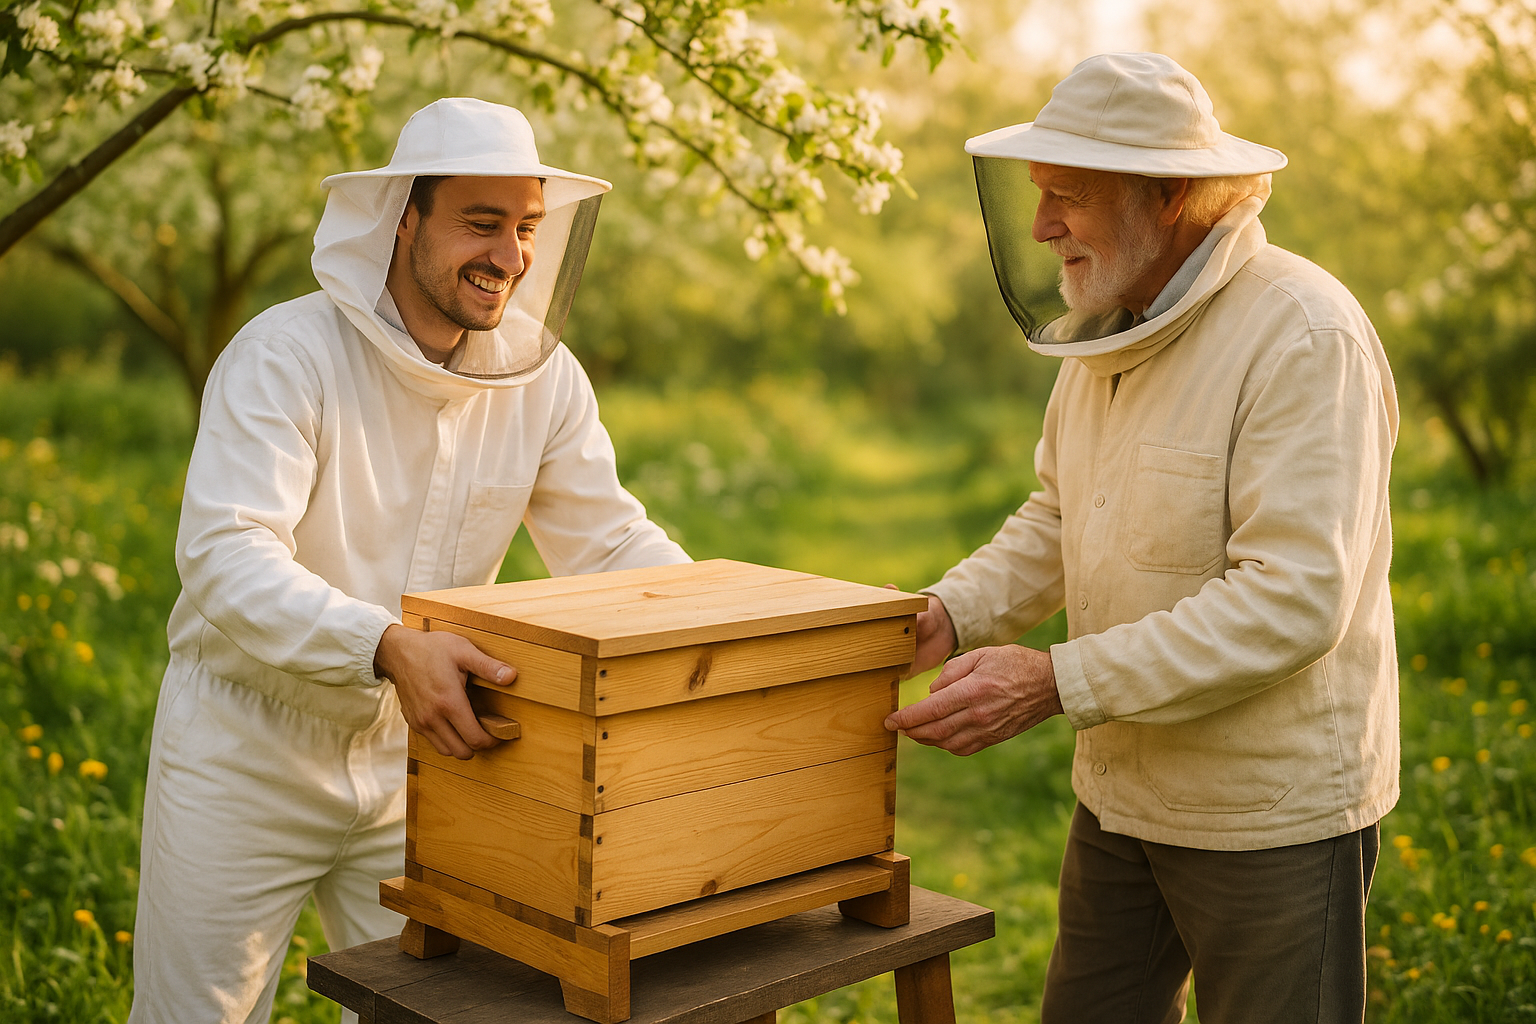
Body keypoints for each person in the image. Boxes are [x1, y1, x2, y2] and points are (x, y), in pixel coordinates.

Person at [128, 97, 690, 1023]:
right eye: (481, 222)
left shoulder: (542, 376)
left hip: (426, 762)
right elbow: (226, 554)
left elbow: (612, 543)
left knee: (431, 1014)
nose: (510, 256)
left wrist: (720, 609)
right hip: (246, 753)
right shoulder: (283, 356)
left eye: (526, 228)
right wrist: (387, 644)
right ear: (403, 219)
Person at [886, 53, 1398, 1024]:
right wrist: (951, 612)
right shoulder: (1106, 331)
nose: (1041, 227)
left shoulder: (1301, 333)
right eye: (1038, 197)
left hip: (1266, 814)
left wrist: (1054, 680)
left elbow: (1292, 600)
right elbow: (1058, 516)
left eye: (1067, 197)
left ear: (1168, 196)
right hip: (1122, 796)